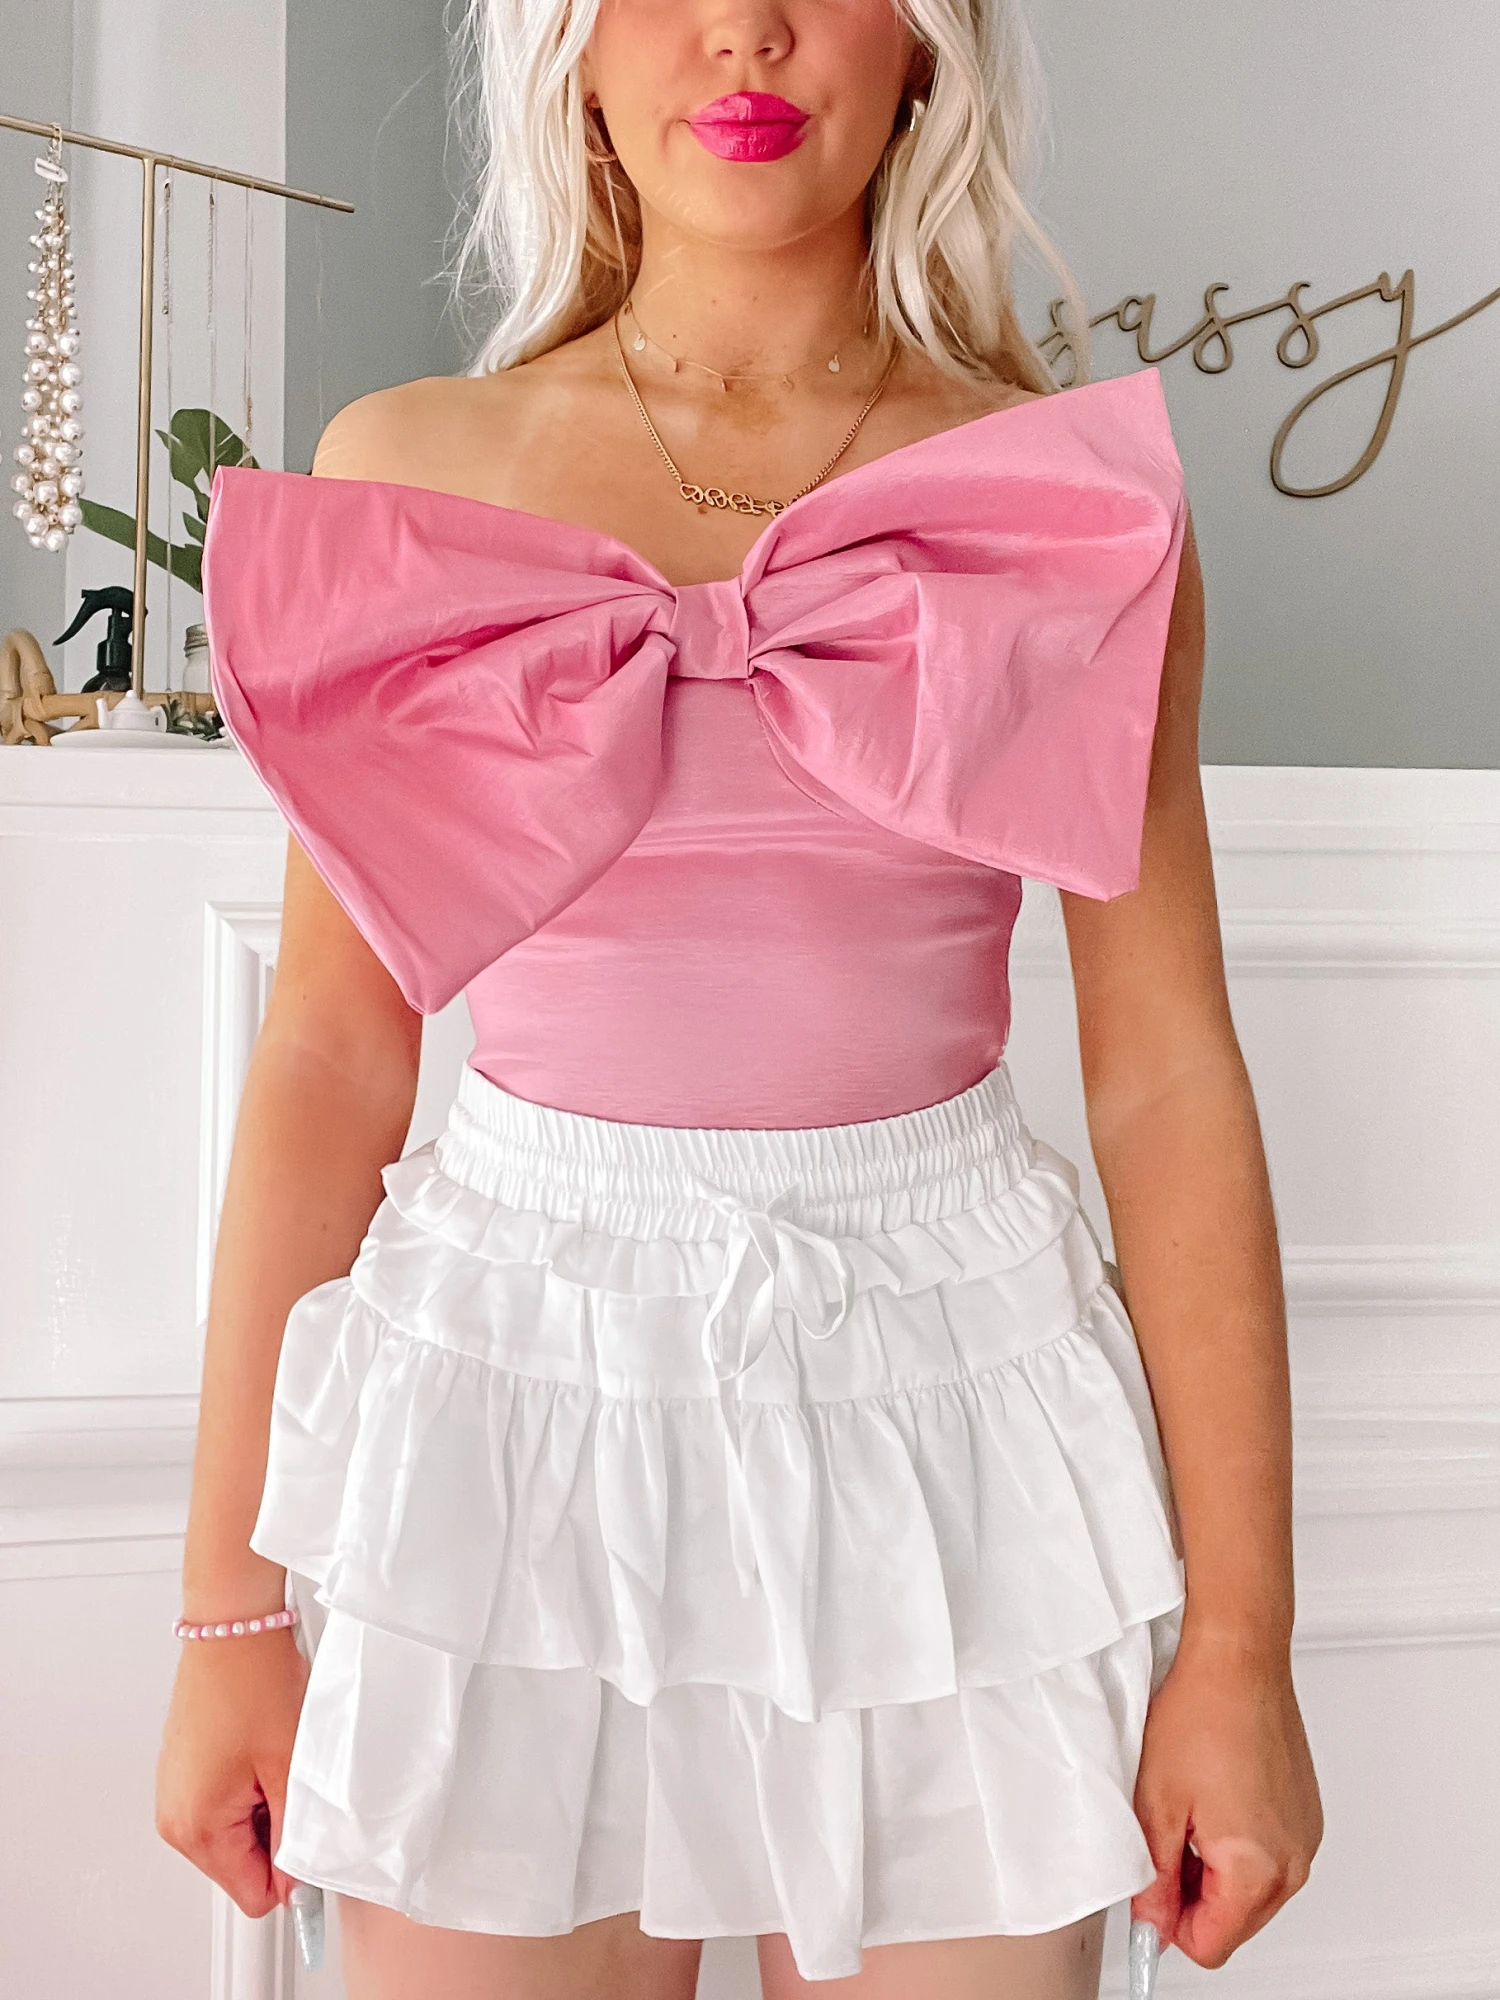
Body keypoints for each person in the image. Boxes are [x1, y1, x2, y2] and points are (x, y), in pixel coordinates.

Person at [155, 0, 1324, 1993]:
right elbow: (332, 1059)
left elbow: (1166, 1077)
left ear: (927, 46)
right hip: (509, 1403)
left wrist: (1242, 1647)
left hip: (952, 1408)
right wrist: (226, 1618)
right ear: (569, 47)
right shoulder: (411, 468)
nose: (746, 32)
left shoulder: (1054, 506)